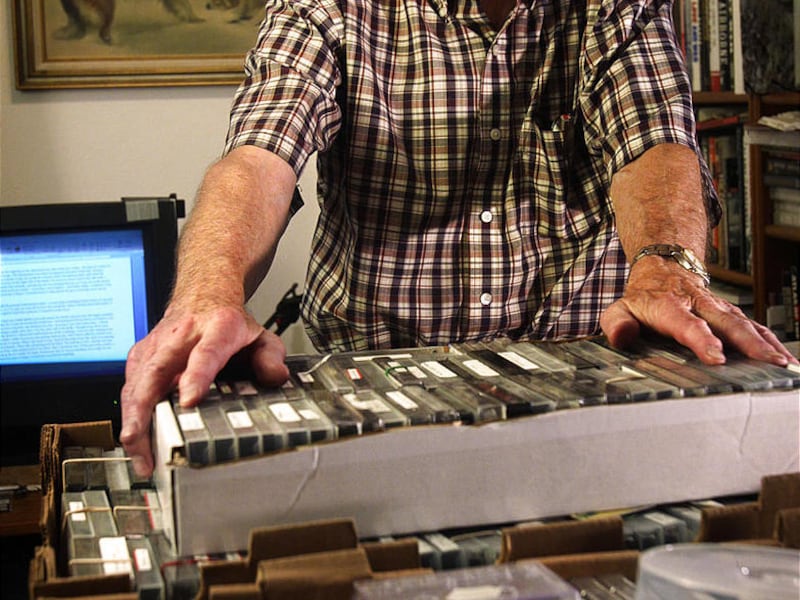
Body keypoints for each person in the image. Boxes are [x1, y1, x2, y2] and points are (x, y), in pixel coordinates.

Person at [120, 0, 796, 476]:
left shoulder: (614, 5)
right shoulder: (328, 6)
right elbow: (260, 154)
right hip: (371, 388)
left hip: (585, 383)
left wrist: (665, 266)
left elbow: (654, 142)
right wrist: (211, 290)